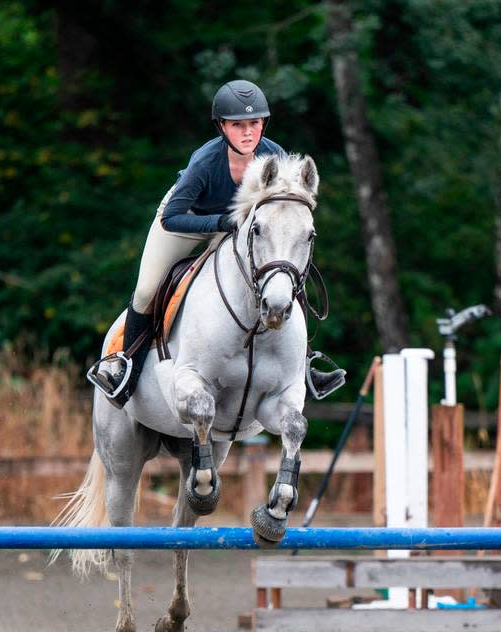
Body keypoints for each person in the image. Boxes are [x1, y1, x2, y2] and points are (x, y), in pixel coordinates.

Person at [89, 79, 343, 407]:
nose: (249, 132)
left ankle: (304, 364)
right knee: (146, 290)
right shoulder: (206, 162)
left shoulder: (273, 156)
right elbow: (172, 217)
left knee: (281, 273)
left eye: (255, 123)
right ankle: (124, 366)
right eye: (239, 125)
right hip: (187, 221)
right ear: (222, 127)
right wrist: (219, 223)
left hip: (238, 227)